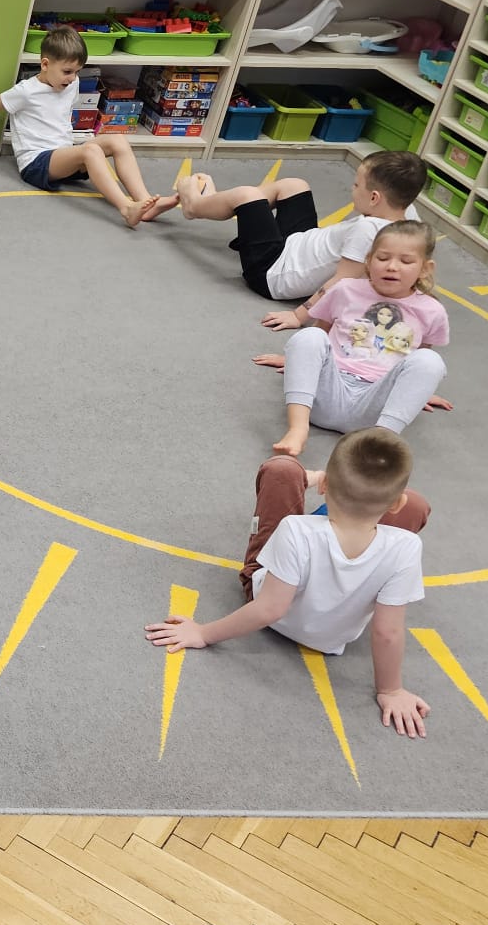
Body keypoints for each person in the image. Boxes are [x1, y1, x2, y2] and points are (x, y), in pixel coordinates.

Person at [145, 428, 432, 739]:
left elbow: (269, 609)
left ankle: (312, 478)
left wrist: (203, 633)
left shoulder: (294, 529)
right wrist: (391, 690)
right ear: (395, 504)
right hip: (331, 638)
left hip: (274, 604)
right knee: (418, 504)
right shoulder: (407, 547)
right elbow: (387, 631)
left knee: (281, 469)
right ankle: (360, 499)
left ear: (325, 486)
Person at [254, 221, 448, 457]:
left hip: (374, 409)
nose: (392, 267)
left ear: (425, 268)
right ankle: (298, 428)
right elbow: (321, 331)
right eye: (383, 258)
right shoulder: (345, 289)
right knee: (309, 336)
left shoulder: (431, 310)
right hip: (325, 394)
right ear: (369, 260)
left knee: (430, 360)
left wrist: (416, 392)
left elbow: (420, 356)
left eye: (406, 261)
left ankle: (380, 440)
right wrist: (298, 363)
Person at [148, 150, 425, 305]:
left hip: (272, 273)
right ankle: (221, 204)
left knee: (247, 194)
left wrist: (299, 315)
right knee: (294, 185)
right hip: (298, 243)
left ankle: (195, 205)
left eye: (356, 185)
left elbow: (341, 282)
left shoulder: (368, 231)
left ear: (374, 198)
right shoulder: (407, 217)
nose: (352, 190)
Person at [0, 26, 165, 227]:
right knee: (91, 150)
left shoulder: (71, 84)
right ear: (45, 64)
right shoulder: (26, 91)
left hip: (64, 156)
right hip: (36, 163)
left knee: (117, 140)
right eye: (67, 71)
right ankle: (126, 208)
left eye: (77, 72)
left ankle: (145, 202)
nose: (72, 78)